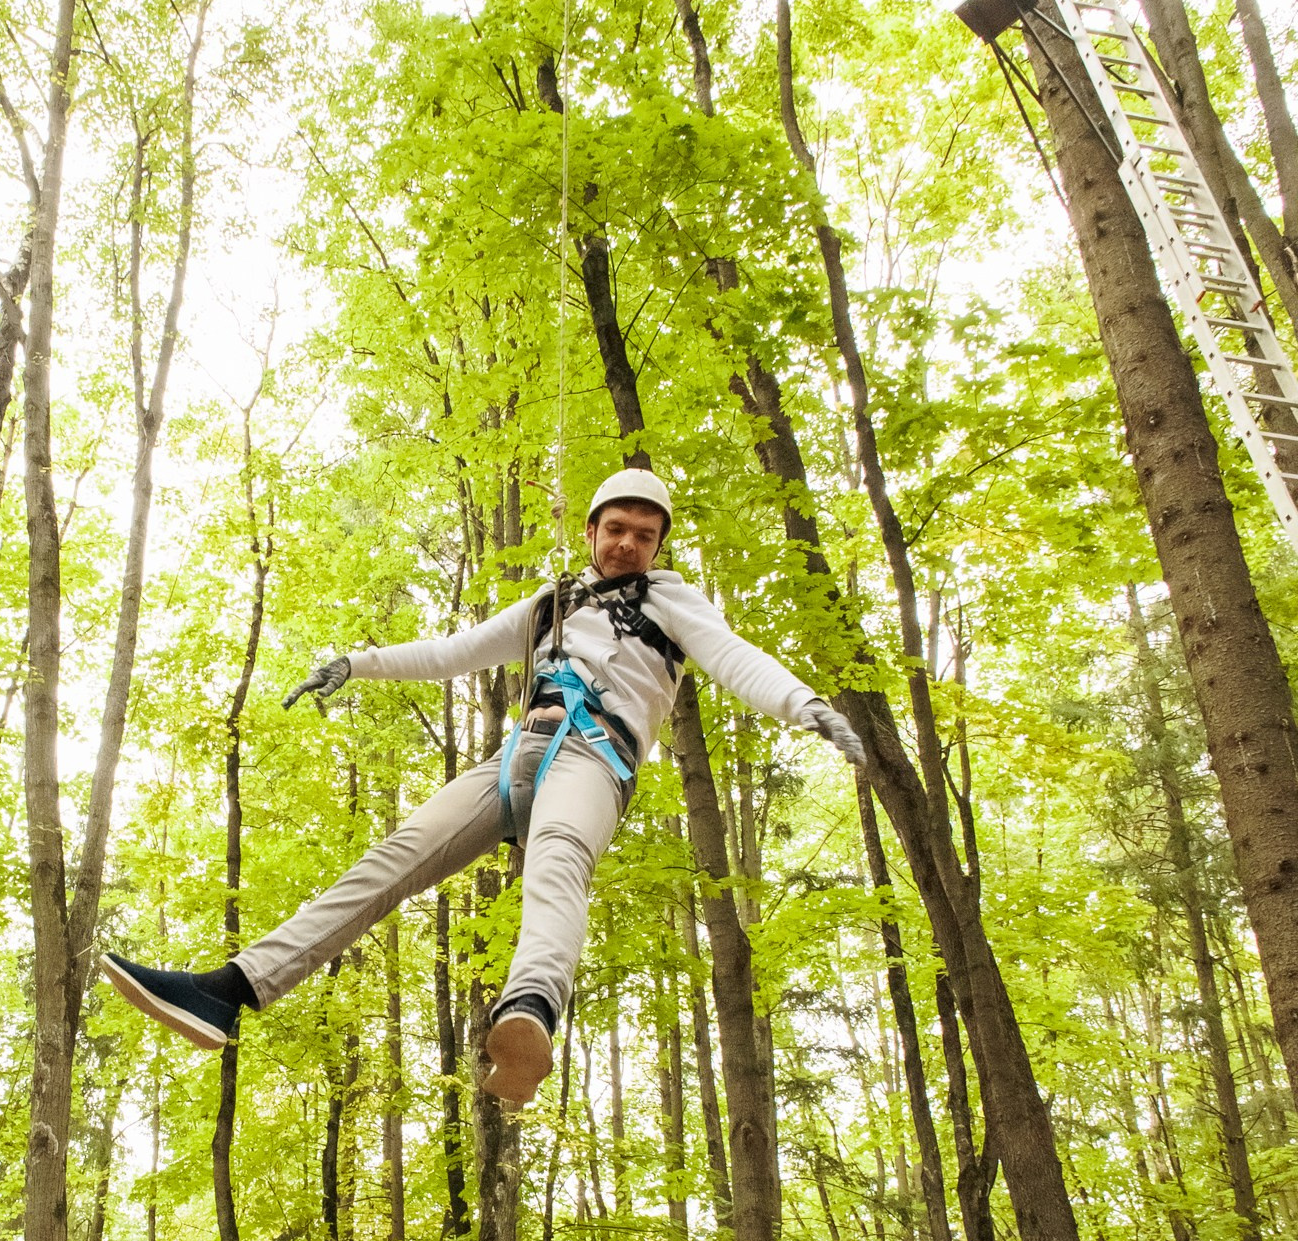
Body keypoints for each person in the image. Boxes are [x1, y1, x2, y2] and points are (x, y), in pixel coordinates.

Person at [101, 465, 864, 1107]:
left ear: (658, 544)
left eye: (645, 533)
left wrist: (807, 707)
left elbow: (734, 657)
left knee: (558, 857)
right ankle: (229, 990)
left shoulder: (670, 603)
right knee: (395, 856)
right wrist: (356, 664)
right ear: (593, 531)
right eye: (617, 529)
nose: (629, 543)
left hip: (594, 761)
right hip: (513, 759)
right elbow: (453, 652)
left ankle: (529, 1009)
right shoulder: (551, 605)